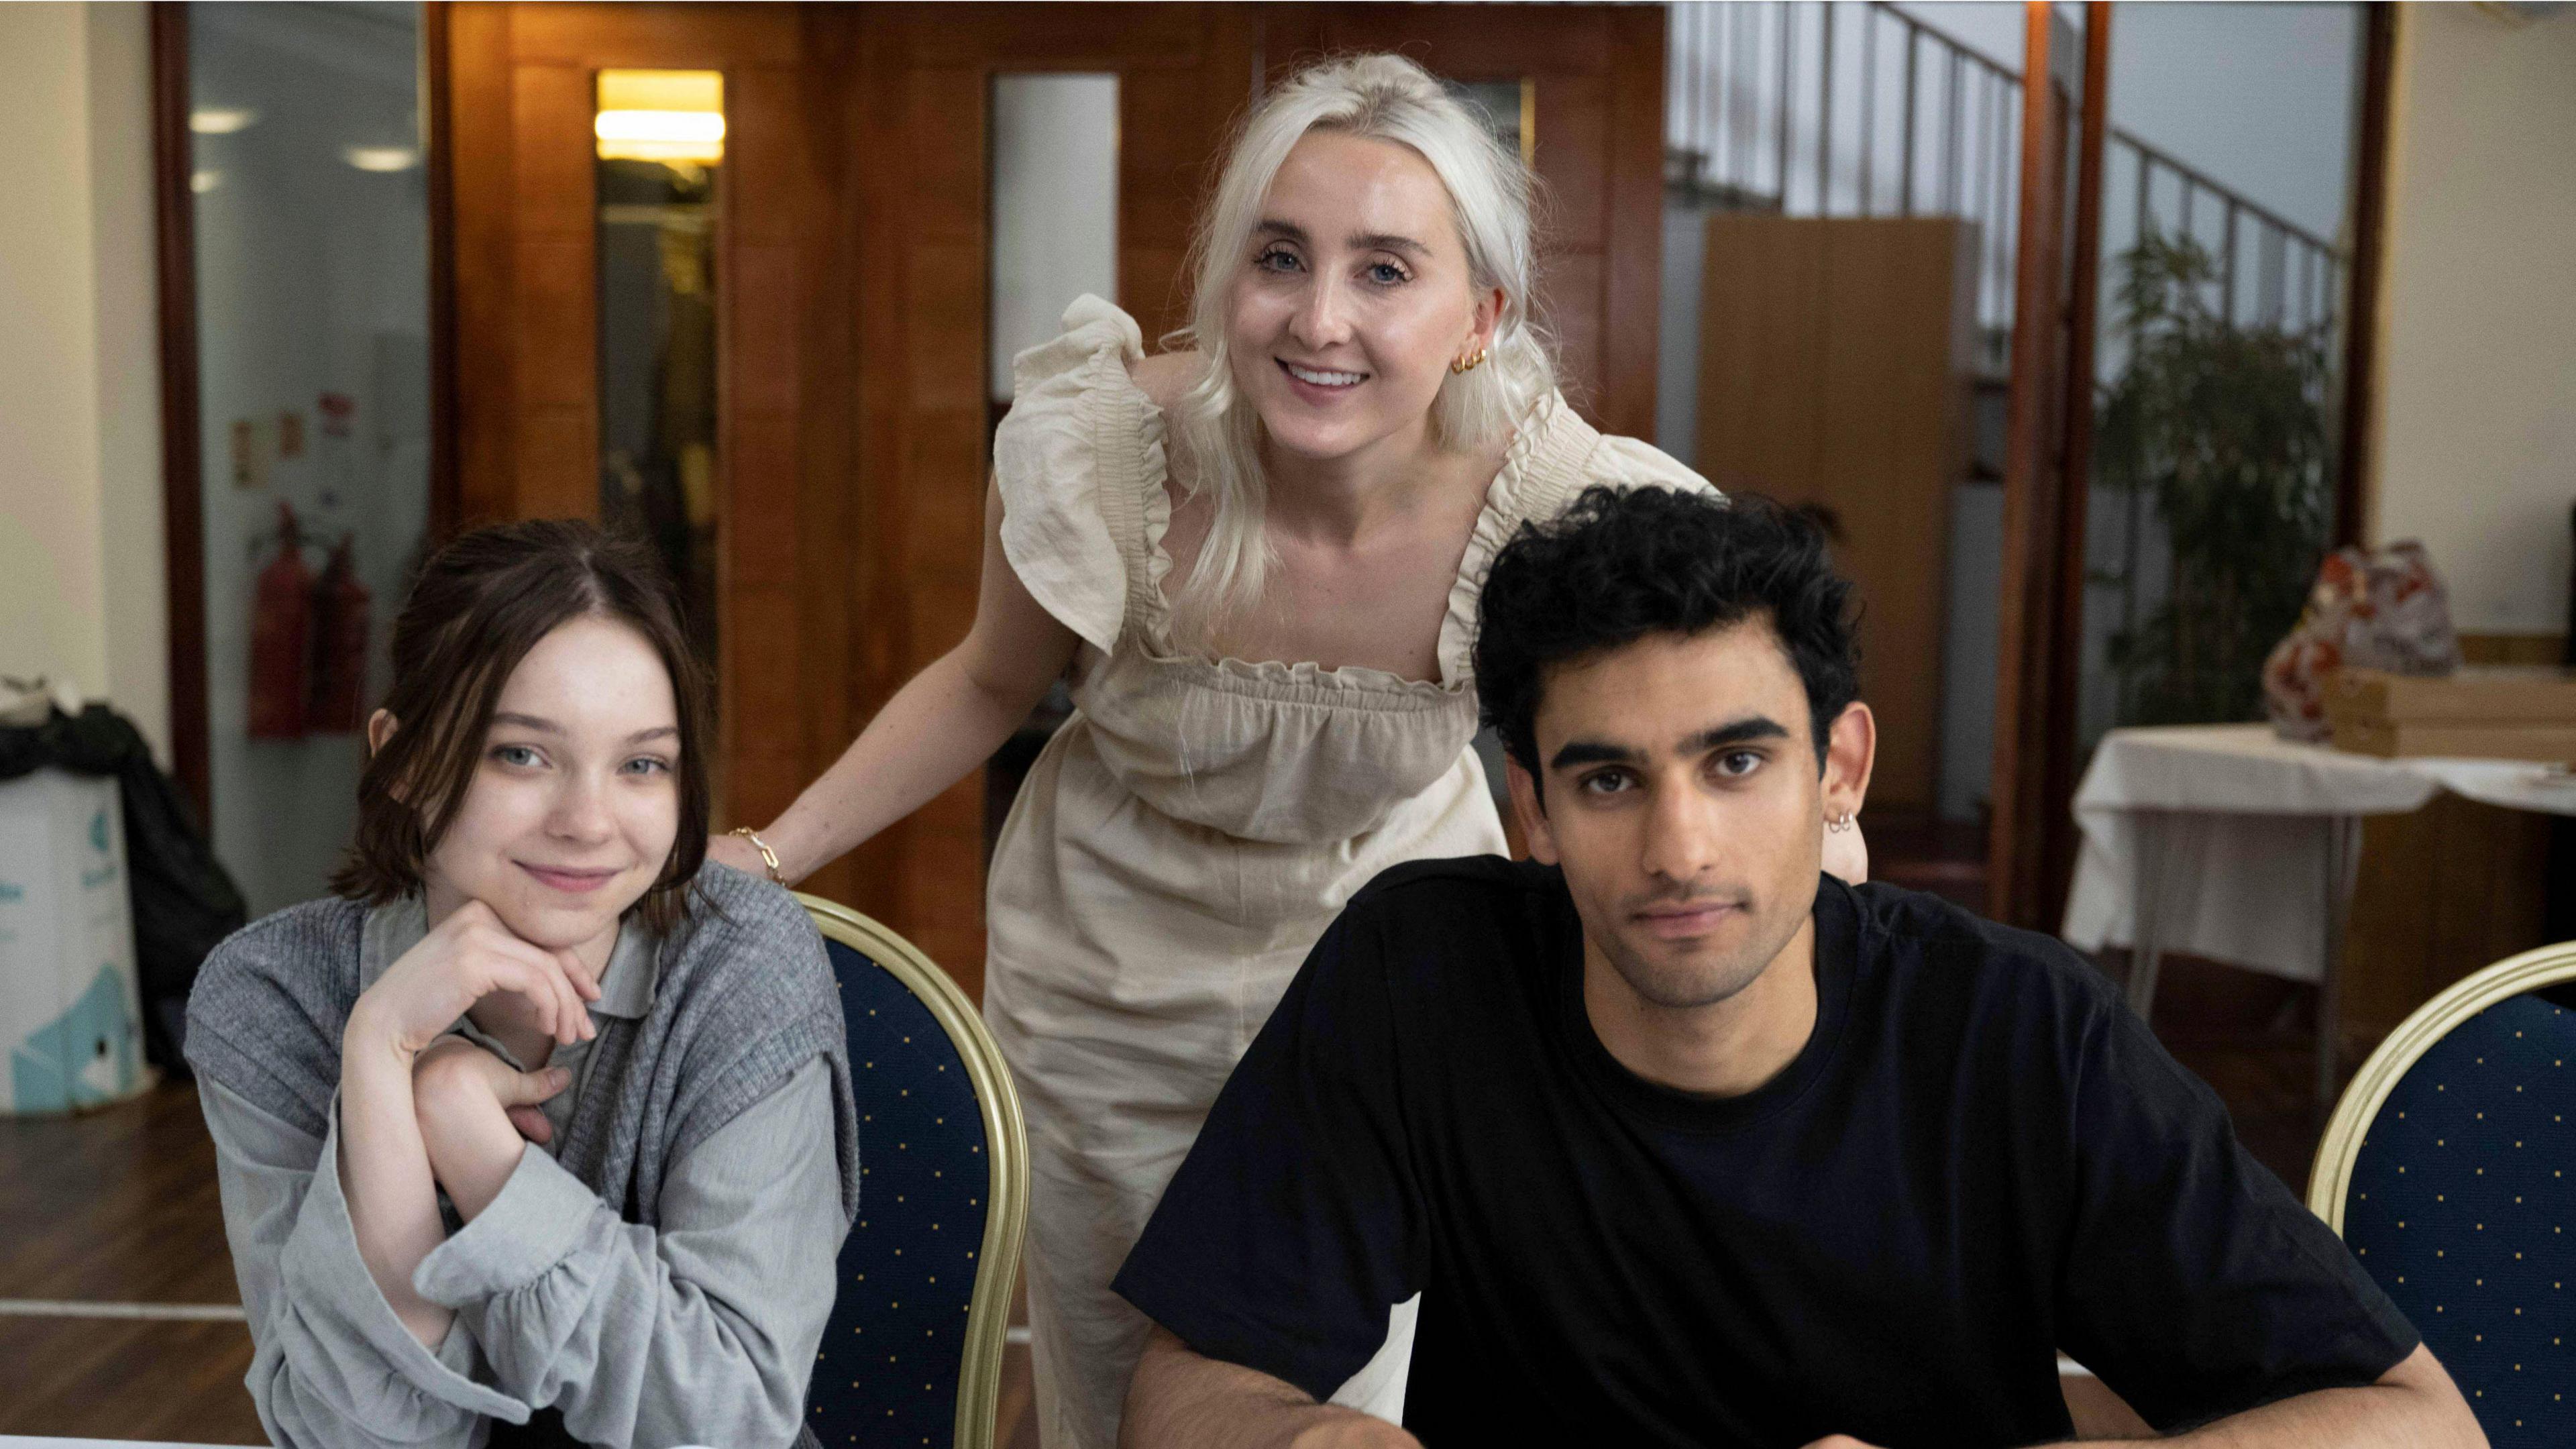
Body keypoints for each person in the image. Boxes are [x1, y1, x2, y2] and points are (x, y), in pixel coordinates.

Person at [706, 52, 1863, 1449]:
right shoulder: (1110, 446)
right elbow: (982, 683)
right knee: (1114, 1372)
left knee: (1331, 1378)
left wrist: (1825, 906)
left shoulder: (1560, 500)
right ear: (1227, 280)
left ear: (1481, 317)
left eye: (1386, 271)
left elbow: (1761, 690)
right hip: (1104, 965)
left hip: (1391, 955)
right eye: (1280, 258)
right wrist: (766, 854)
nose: (1321, 319)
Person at [1113, 486, 2485, 1449]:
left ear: (1841, 770)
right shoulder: (1421, 974)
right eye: (1607, 779)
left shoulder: (2018, 1032)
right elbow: (1186, 1390)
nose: (1679, 845)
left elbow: (2421, 1425)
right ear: (1528, 812)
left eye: (1737, 759)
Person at [187, 521, 859, 1449]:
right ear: (404, 760)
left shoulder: (740, 965)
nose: (588, 823)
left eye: (641, 765)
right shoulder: (274, 999)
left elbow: (729, 1414)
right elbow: (352, 1437)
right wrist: (381, 1056)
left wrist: (473, 1142)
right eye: (522, 754)